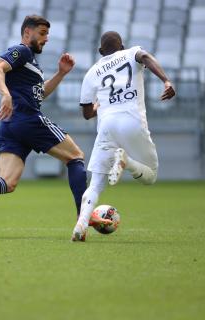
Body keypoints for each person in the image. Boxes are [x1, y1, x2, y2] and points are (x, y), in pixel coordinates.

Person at [0, 15, 87, 225]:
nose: (46, 39)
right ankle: (83, 217)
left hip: (10, 125)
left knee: (7, 183)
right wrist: (5, 94)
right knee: (75, 157)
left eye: (47, 34)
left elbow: (39, 94)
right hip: (28, 119)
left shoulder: (30, 63)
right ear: (27, 32)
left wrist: (60, 74)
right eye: (42, 33)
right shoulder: (23, 51)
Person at [71, 31, 176, 242]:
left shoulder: (92, 72)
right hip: (132, 120)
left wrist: (98, 106)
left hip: (107, 125)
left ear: (101, 51)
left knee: (96, 184)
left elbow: (86, 113)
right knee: (151, 175)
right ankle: (127, 163)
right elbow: (145, 57)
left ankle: (81, 225)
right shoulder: (131, 53)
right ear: (122, 46)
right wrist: (166, 81)